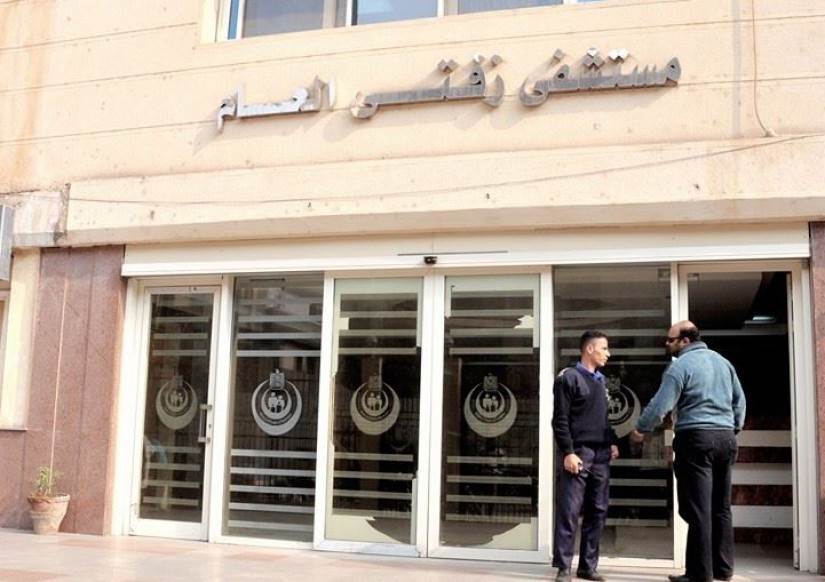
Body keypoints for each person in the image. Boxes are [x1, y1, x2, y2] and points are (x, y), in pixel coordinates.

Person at [630, 321, 746, 582]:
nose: (666, 343)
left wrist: (641, 428)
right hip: (726, 439)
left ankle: (699, 574)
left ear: (685, 341)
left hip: (696, 440)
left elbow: (661, 405)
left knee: (698, 509)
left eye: (670, 339)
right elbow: (740, 401)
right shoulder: (723, 363)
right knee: (721, 507)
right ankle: (723, 569)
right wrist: (732, 428)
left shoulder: (679, 366)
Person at [552, 331, 619, 582]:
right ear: (589, 349)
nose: (608, 353)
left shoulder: (601, 380)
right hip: (579, 452)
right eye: (604, 348)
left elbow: (602, 418)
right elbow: (559, 420)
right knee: (570, 510)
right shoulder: (568, 378)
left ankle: (588, 567)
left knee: (598, 510)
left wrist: (611, 441)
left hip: (601, 454)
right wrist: (568, 452)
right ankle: (563, 567)